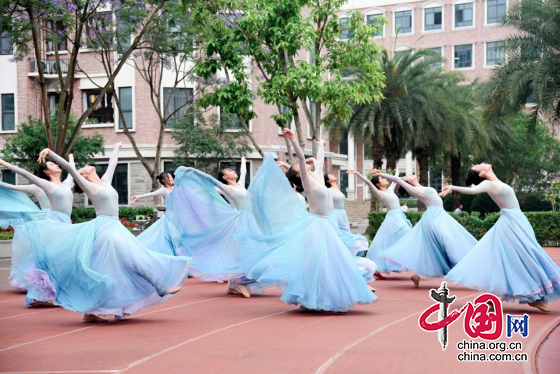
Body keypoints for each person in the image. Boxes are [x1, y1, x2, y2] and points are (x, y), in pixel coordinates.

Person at [26, 143, 190, 323]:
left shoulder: (105, 181)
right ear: (83, 175)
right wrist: (51, 153)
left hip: (114, 226)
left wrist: (117, 148)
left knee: (110, 269)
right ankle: (160, 285)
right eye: (82, 168)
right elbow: (69, 168)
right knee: (136, 257)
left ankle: (91, 312)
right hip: (105, 229)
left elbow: (113, 163)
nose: (86, 165)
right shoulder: (87, 184)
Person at [235, 130, 376, 313]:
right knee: (318, 263)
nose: (305, 166)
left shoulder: (317, 179)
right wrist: (293, 140)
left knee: (332, 263)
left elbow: (317, 163)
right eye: (298, 168)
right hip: (316, 225)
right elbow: (301, 159)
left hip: (326, 224)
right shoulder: (308, 183)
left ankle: (326, 297)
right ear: (298, 174)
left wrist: (321, 148)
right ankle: (313, 298)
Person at [440, 163, 560, 312]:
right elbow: (473, 191)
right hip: (511, 224)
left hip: (517, 220)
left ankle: (515, 295)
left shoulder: (495, 182)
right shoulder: (488, 183)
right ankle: (532, 296)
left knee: (519, 256)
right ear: (482, 173)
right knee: (525, 255)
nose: (481, 163)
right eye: (478, 166)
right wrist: (452, 187)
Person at [165, 158, 265, 298]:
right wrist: (192, 171)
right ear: (224, 177)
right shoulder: (227, 188)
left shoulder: (240, 185)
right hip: (241, 222)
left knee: (242, 252)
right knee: (251, 252)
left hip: (248, 220)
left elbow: (244, 172)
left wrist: (243, 162)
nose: (233, 171)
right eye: (229, 171)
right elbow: (210, 180)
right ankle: (242, 281)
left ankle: (233, 285)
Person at [372, 170, 477, 288]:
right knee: (449, 243)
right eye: (408, 176)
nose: (411, 174)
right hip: (434, 217)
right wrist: (382, 175)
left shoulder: (421, 187)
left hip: (439, 215)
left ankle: (418, 275)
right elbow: (396, 180)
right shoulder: (415, 190)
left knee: (435, 247)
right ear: (408, 182)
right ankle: (464, 273)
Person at [0, 155, 75, 296]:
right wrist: (3, 163)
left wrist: (71, 158)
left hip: (64, 222)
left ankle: (57, 283)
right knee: (49, 254)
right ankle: (41, 285)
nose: (57, 166)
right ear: (46, 171)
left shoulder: (66, 184)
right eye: (52, 164)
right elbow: (15, 185)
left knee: (61, 254)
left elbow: (72, 170)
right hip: (49, 221)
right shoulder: (40, 185)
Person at [348, 170, 410, 276]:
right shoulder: (380, 193)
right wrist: (357, 173)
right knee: (409, 235)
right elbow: (368, 182)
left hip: (399, 216)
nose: (385, 179)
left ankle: (389, 265)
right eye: (382, 179)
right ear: (377, 184)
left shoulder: (390, 190)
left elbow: (395, 180)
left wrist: (397, 171)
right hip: (394, 218)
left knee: (395, 240)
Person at [131, 172, 180, 257]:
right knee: (168, 239)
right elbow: (151, 194)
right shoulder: (164, 190)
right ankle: (170, 257)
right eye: (169, 177)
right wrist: (138, 196)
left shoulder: (176, 188)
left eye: (172, 177)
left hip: (178, 218)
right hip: (169, 219)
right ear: (163, 180)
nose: (171, 178)